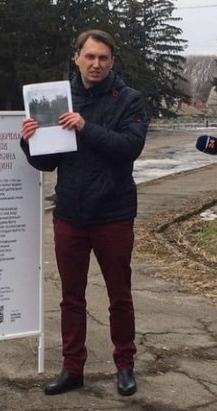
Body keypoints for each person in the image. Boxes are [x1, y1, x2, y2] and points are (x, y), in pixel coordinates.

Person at [20, 29, 150, 397]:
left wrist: (85, 126)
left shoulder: (129, 100)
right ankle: (72, 368)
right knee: (71, 298)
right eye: (89, 56)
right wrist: (28, 141)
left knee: (119, 295)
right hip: (71, 214)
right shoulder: (57, 98)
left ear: (112, 62)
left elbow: (129, 148)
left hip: (114, 213)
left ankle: (125, 364)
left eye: (103, 58)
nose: (96, 64)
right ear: (76, 57)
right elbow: (49, 162)